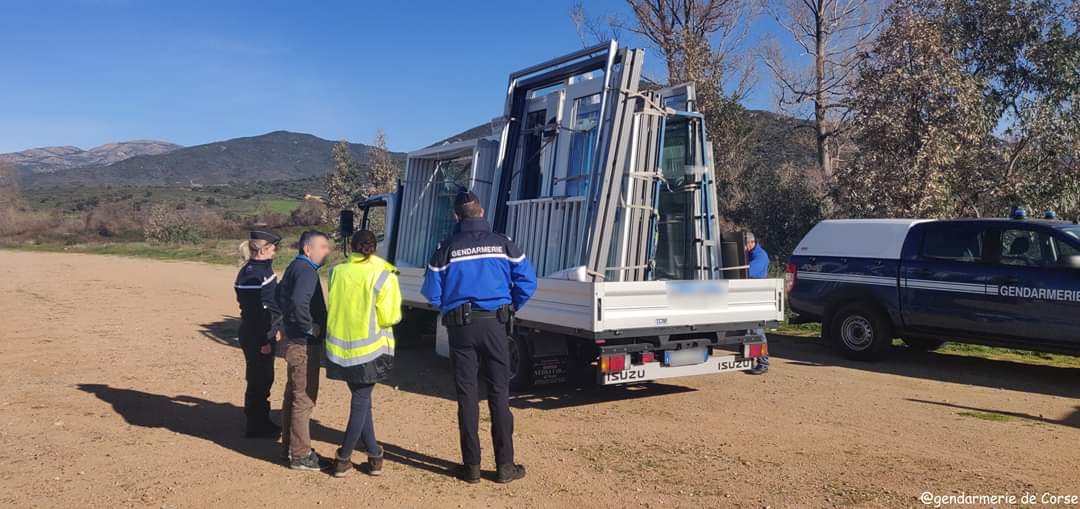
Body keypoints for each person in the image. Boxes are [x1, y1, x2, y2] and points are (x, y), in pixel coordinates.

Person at [421, 191, 537, 484]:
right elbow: (528, 281)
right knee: (499, 393)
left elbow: (432, 292)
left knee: (467, 395)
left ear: (456, 216)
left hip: (461, 327)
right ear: (481, 212)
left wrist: (450, 305)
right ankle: (505, 466)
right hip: (496, 324)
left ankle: (471, 467)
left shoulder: (446, 248)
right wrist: (510, 307)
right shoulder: (503, 243)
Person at [325, 230, 402, 478]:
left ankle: (375, 456)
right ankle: (343, 458)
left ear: (352, 247)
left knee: (362, 400)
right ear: (374, 248)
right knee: (360, 402)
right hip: (370, 351)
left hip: (340, 350)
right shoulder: (384, 275)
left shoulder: (336, 272)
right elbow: (391, 316)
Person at [277, 230, 331, 470]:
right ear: (307, 249)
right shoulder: (307, 271)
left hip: (294, 339)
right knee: (304, 397)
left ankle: (290, 447)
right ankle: (300, 455)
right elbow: (299, 302)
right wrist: (310, 327)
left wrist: (287, 323)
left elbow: (280, 295)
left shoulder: (294, 267)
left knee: (293, 394)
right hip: (303, 344)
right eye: (322, 246)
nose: (327, 251)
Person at [233, 229, 283, 438]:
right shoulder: (254, 274)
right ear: (262, 249)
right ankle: (255, 425)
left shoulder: (259, 269)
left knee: (264, 378)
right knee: (259, 379)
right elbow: (255, 311)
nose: (275, 252)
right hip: (256, 333)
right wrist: (264, 339)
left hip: (261, 331)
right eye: (273, 248)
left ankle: (261, 420)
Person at [746, 231, 770, 375]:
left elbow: (749, 271)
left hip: (757, 297)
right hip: (749, 297)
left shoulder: (760, 256)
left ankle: (763, 362)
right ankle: (752, 359)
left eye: (745, 244)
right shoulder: (751, 254)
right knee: (749, 330)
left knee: (757, 331)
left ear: (751, 242)